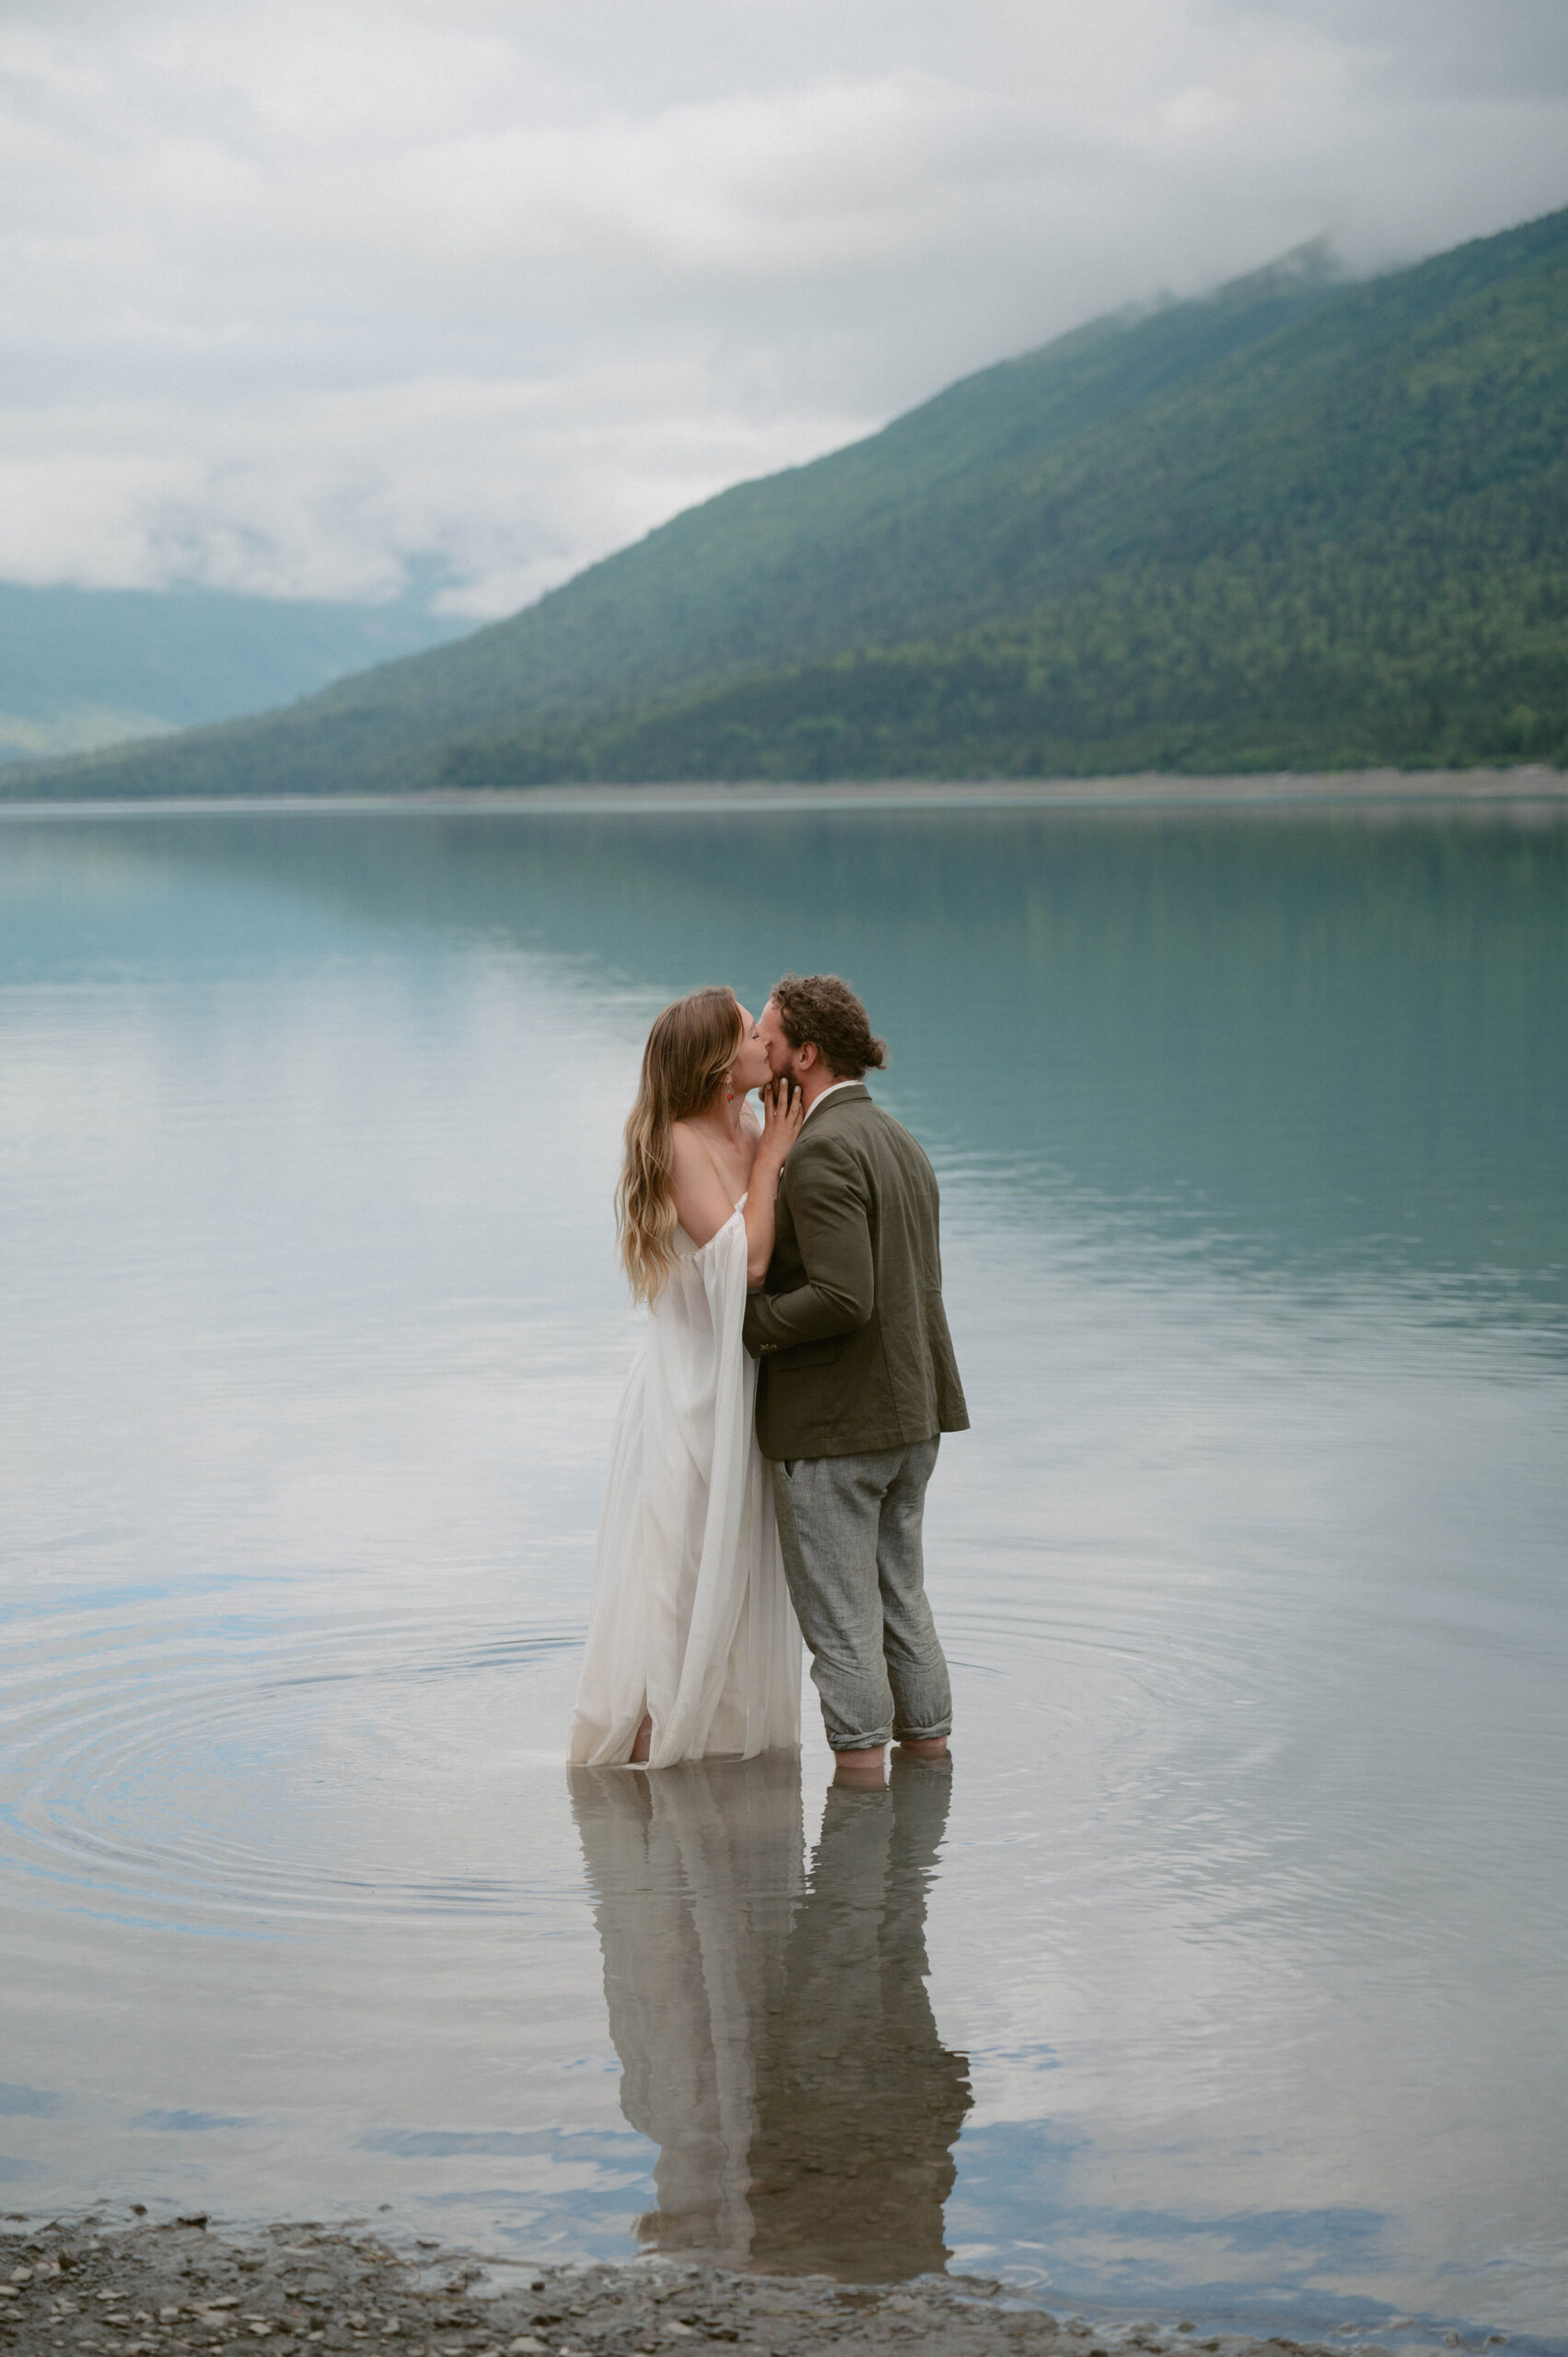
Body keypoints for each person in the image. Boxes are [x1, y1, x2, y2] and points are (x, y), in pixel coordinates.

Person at [569, 985, 805, 1769]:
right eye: (748, 1034)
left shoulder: (751, 1128)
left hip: (744, 1383)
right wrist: (771, 1159)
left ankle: (722, 1759)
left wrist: (772, 1148)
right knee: (676, 1579)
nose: (763, 1043)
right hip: (686, 1392)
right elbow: (750, 1261)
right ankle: (651, 1761)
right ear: (716, 1066)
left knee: (735, 1576)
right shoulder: (678, 1143)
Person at [745, 974, 969, 1786]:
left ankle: (860, 1806)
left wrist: (749, 1323)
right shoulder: (899, 1140)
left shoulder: (821, 1150)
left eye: (766, 1039)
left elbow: (844, 1296)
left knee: (842, 1627)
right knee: (902, 1605)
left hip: (837, 1428)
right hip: (911, 1420)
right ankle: (926, 1782)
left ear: (804, 1055)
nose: (757, 1052)